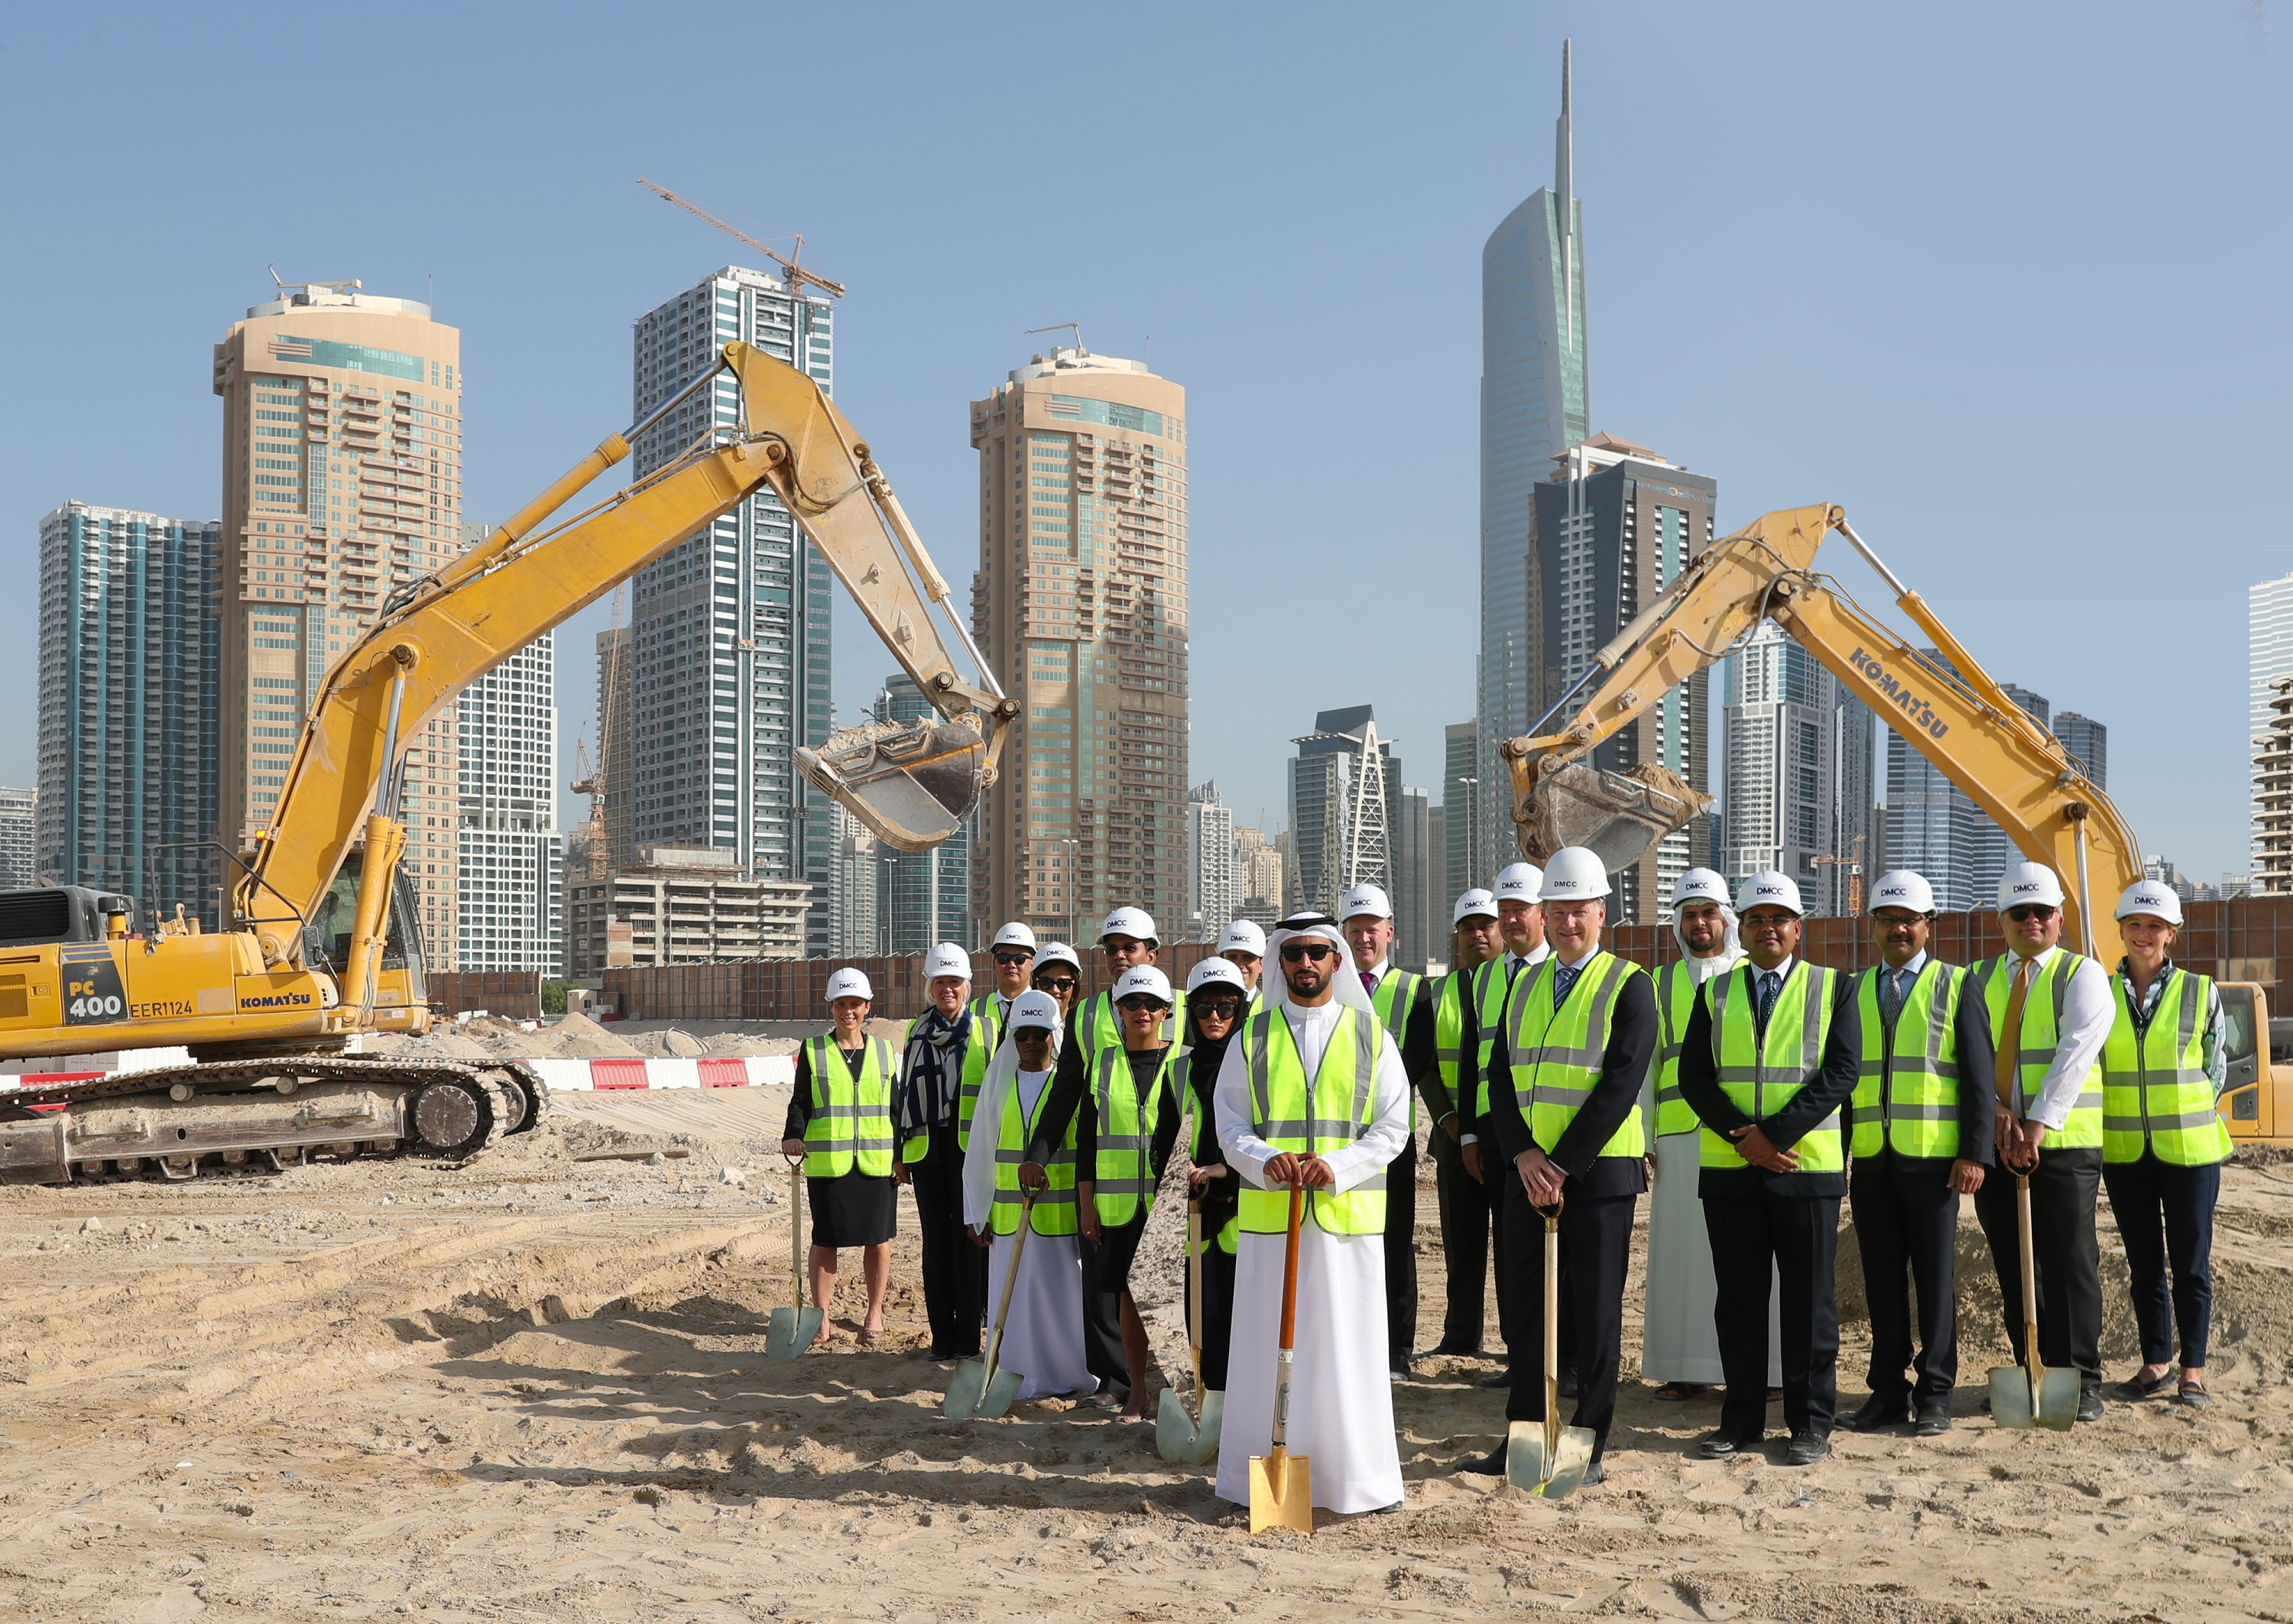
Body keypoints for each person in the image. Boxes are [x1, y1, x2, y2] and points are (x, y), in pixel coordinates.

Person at [1455, 848, 1654, 1487]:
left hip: (1598, 1179)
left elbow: (1620, 1084)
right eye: (1559, 911)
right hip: (1528, 1175)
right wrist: (1523, 1154)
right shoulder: (1524, 983)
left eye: (1580, 912)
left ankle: (1586, 1446)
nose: (1570, 923)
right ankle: (1523, 1436)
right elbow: (1501, 1077)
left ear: (1603, 913)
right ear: (1545, 914)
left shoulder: (1630, 984)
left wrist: (1562, 1163)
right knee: (1524, 1316)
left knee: (1594, 1318)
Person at [1212, 912, 1410, 1515]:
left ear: (1336, 960)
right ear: (1279, 961)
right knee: (1261, 1351)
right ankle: (1257, 1479)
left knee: (1348, 1354)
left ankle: (1358, 1482)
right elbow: (1228, 1124)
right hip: (1274, 1224)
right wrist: (1267, 1158)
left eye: (1317, 953)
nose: (1305, 963)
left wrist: (1341, 1166)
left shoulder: (1372, 1034)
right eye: (1293, 953)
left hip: (1346, 1222)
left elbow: (1393, 1125)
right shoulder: (1253, 1036)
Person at [1676, 871, 1861, 1466]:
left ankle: (1810, 1424)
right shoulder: (1716, 993)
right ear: (1742, 928)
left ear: (1797, 928)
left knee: (1810, 1305)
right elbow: (1693, 1078)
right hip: (1733, 1175)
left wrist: (1773, 1136)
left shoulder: (1834, 988)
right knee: (1739, 1302)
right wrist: (1743, 1139)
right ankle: (1742, 1420)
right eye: (1755, 919)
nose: (1767, 928)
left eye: (1778, 918)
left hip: (1805, 1169)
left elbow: (1841, 1072)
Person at [1840, 871, 1995, 1437]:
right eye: (1888, 918)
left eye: (1910, 919)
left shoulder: (1957, 984)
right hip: (1874, 1159)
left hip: (1934, 1161)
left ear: (1930, 925)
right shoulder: (1853, 989)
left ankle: (1935, 1391)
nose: (1899, 928)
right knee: (1881, 1279)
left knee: (1934, 1280)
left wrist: (1975, 1150)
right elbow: (1840, 1081)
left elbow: (1979, 1075)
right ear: (1873, 925)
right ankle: (1886, 1391)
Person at [1970, 861, 2112, 1424]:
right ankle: (2029, 1369)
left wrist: (2037, 1124)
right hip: (1998, 1141)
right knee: (2014, 1261)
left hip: (2063, 1144)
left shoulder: (2081, 975)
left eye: (2041, 912)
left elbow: (2074, 1052)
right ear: (2000, 919)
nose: (2031, 920)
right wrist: (1996, 1112)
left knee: (2069, 1261)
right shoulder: (1978, 979)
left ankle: (2081, 1377)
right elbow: (1965, 1058)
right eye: (2018, 912)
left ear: (2059, 917)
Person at [1638, 867, 1779, 1399]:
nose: (1701, 922)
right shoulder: (1659, 982)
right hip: (1677, 1139)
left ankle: (1765, 1372)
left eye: (1710, 912)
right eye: (1690, 914)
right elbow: (1647, 1068)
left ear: (1728, 917)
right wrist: (1645, 1139)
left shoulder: (1756, 975)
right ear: (1679, 922)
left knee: (1752, 1257)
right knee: (1682, 1258)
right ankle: (1685, 1366)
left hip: (1745, 1139)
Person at [1028, 909, 1181, 1402]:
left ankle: (1172, 1381)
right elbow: (1068, 1092)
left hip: (1169, 1185)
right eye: (1111, 948)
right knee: (1104, 1290)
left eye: (1129, 947)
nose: (1119, 956)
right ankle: (1118, 1382)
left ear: (1151, 954)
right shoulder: (1088, 1013)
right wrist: (1040, 1151)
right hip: (1106, 1179)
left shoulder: (1184, 1008)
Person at [2100, 879, 2230, 1411]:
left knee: (2191, 1264)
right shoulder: (2100, 993)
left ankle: (2192, 1369)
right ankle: (2157, 1360)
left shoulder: (2201, 991)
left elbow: (2215, 1067)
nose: (2144, 933)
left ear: (2171, 934)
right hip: (2126, 1148)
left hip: (2191, 1151)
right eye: (2135, 925)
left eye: (2155, 925)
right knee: (2144, 1263)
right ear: (2122, 932)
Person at [962, 990, 1096, 1400]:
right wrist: (975, 1209)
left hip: (1060, 1220)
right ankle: (1019, 1377)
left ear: (1054, 1034)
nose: (1031, 1041)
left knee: (1062, 1305)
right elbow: (980, 1150)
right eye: (1023, 1034)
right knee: (1013, 1304)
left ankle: (1070, 1376)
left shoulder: (1067, 1083)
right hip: (1007, 1220)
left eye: (1040, 1033)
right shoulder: (998, 1082)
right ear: (1013, 1036)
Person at [1459, 861, 1549, 1388]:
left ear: (1543, 912)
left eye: (1520, 909)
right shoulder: (1488, 975)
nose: (1511, 920)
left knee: (1559, 1248)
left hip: (1547, 1126)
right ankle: (1521, 1358)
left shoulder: (1562, 967)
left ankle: (1567, 1359)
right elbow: (1477, 1053)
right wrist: (1471, 1131)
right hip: (1497, 1131)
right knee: (1511, 1246)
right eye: (1505, 911)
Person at [1342, 881, 1437, 1380]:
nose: (1363, 938)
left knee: (1395, 1245)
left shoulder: (1413, 987)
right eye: (1354, 929)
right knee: (1346, 1244)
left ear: (1390, 933)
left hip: (1391, 1140)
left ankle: (1398, 1351)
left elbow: (1420, 1056)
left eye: (1371, 929)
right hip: (1337, 1143)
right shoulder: (1330, 986)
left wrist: (1379, 1100)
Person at [780, 968, 900, 1346]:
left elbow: (896, 1109)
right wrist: (793, 1135)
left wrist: (901, 1156)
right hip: (829, 1165)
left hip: (877, 1163)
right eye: (841, 1005)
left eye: (855, 1005)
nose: (848, 1011)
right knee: (826, 1239)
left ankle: (875, 1312)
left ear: (867, 1007)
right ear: (831, 1007)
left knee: (878, 1240)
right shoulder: (814, 1050)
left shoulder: (883, 1050)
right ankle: (821, 1318)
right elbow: (801, 1101)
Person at [896, 944, 994, 1363]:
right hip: (927, 1150)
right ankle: (942, 1336)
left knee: (969, 1241)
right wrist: (900, 1152)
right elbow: (903, 1094)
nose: (947, 989)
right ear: (930, 988)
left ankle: (969, 1337)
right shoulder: (914, 1031)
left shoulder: (986, 1030)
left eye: (954, 982)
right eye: (940, 983)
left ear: (967, 987)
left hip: (970, 1150)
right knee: (935, 1244)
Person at [1424, 889, 1500, 1358]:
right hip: (1453, 1137)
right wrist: (1448, 1118)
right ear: (1457, 938)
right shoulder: (1436, 994)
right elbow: (1426, 1063)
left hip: (1508, 1137)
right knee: (1461, 1242)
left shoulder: (1520, 987)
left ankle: (1517, 1339)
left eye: (1486, 925)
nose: (1478, 934)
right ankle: (1460, 1336)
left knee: (1516, 1248)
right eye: (1468, 928)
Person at [1176, 957, 1250, 1399]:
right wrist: (1177, 1168)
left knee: (1244, 1317)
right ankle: (1210, 1401)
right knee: (1201, 1315)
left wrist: (1227, 1171)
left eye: (1225, 1007)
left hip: (1244, 1212)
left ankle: (1243, 1404)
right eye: (1204, 1008)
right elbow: (1162, 1140)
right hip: (1194, 1214)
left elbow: (1268, 1137)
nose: (1215, 1018)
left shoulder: (1255, 1065)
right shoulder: (1178, 1070)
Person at [1032, 941, 1084, 1023]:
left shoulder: (1085, 1028)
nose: (1055, 990)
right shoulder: (1021, 1028)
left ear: (1075, 988)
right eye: (1046, 983)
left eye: (1064, 984)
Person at [1219, 919, 1268, 1003]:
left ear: (1261, 964)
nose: (1239, 965)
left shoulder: (1269, 1008)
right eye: (1232, 957)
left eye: (1248, 958)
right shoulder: (1198, 1006)